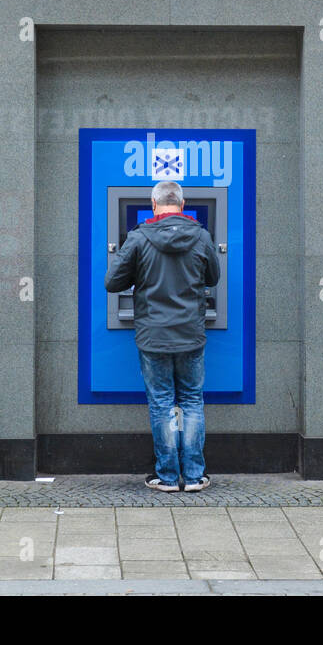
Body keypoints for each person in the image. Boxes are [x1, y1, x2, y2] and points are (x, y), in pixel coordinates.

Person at [105, 181, 221, 492]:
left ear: (154, 204)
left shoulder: (139, 237)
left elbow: (112, 283)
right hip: (191, 333)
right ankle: (195, 476)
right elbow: (213, 278)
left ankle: (168, 477)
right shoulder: (201, 236)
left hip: (153, 334)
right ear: (182, 205)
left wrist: (139, 275)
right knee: (193, 401)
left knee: (161, 403)